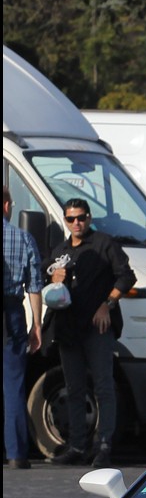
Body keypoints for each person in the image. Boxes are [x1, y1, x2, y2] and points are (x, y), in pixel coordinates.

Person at [44, 199, 134, 467]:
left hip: (97, 327)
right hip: (68, 328)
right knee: (74, 389)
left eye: (81, 217)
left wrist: (108, 304)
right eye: (71, 219)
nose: (77, 223)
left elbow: (126, 277)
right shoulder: (60, 250)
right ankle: (77, 446)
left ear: (89, 217)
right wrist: (53, 278)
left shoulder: (104, 243)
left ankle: (104, 445)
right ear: (65, 220)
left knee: (104, 387)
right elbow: (44, 274)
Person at [4, 186, 45, 469]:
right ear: (7, 206)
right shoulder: (23, 238)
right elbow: (34, 285)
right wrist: (37, 324)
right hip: (11, 314)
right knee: (13, 384)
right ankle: (16, 453)